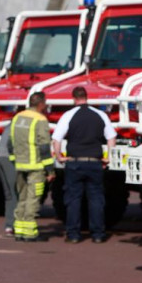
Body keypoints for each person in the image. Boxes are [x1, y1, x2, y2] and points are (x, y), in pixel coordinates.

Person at [52, 86, 116, 244]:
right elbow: (111, 138)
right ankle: (98, 234)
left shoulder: (68, 115)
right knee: (96, 199)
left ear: (74, 98)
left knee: (73, 199)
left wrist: (59, 156)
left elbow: (56, 139)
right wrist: (109, 157)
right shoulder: (100, 115)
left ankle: (73, 234)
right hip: (95, 163)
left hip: (74, 163)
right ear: (87, 97)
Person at [8, 92, 55, 242]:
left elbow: (10, 142)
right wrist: (50, 170)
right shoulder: (40, 120)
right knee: (33, 199)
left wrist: (14, 160)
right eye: (45, 103)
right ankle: (29, 232)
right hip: (35, 166)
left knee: (21, 198)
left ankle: (19, 230)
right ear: (40, 104)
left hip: (20, 165)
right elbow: (44, 148)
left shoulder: (17, 117)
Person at [0, 127, 17, 237]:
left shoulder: (12, 123)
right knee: (14, 191)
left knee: (9, 193)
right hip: (6, 157)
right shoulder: (25, 122)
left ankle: (9, 225)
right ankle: (12, 225)